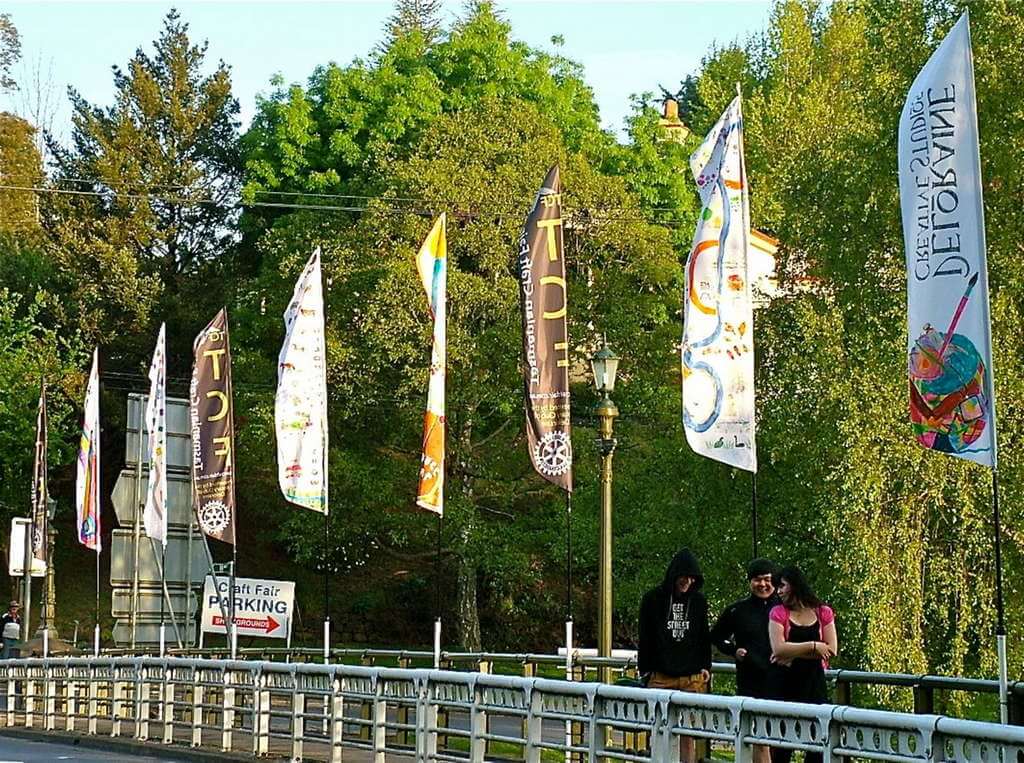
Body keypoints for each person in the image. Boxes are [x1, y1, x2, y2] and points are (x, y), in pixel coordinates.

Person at [638, 548, 711, 763]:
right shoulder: (653, 599)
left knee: (688, 732)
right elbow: (645, 635)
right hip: (661, 676)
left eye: (691, 577)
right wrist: (646, 670)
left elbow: (703, 635)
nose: (686, 581)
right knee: (659, 729)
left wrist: (706, 666)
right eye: (683, 576)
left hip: (692, 677)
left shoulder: (698, 601)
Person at [710, 558, 779, 763]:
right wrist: (734, 650)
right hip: (751, 681)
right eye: (757, 580)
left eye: (768, 580)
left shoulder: (784, 608)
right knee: (759, 735)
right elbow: (715, 636)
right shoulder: (737, 610)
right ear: (750, 582)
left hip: (782, 680)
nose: (763, 585)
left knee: (781, 735)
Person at [767, 566, 838, 763]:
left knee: (817, 744)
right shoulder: (778, 613)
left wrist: (794, 652)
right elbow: (778, 649)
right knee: (783, 744)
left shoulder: (823, 612)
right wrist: (814, 647)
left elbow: (831, 649)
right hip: (785, 685)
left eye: (781, 586)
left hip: (814, 685)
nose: (778, 591)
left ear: (795, 585)